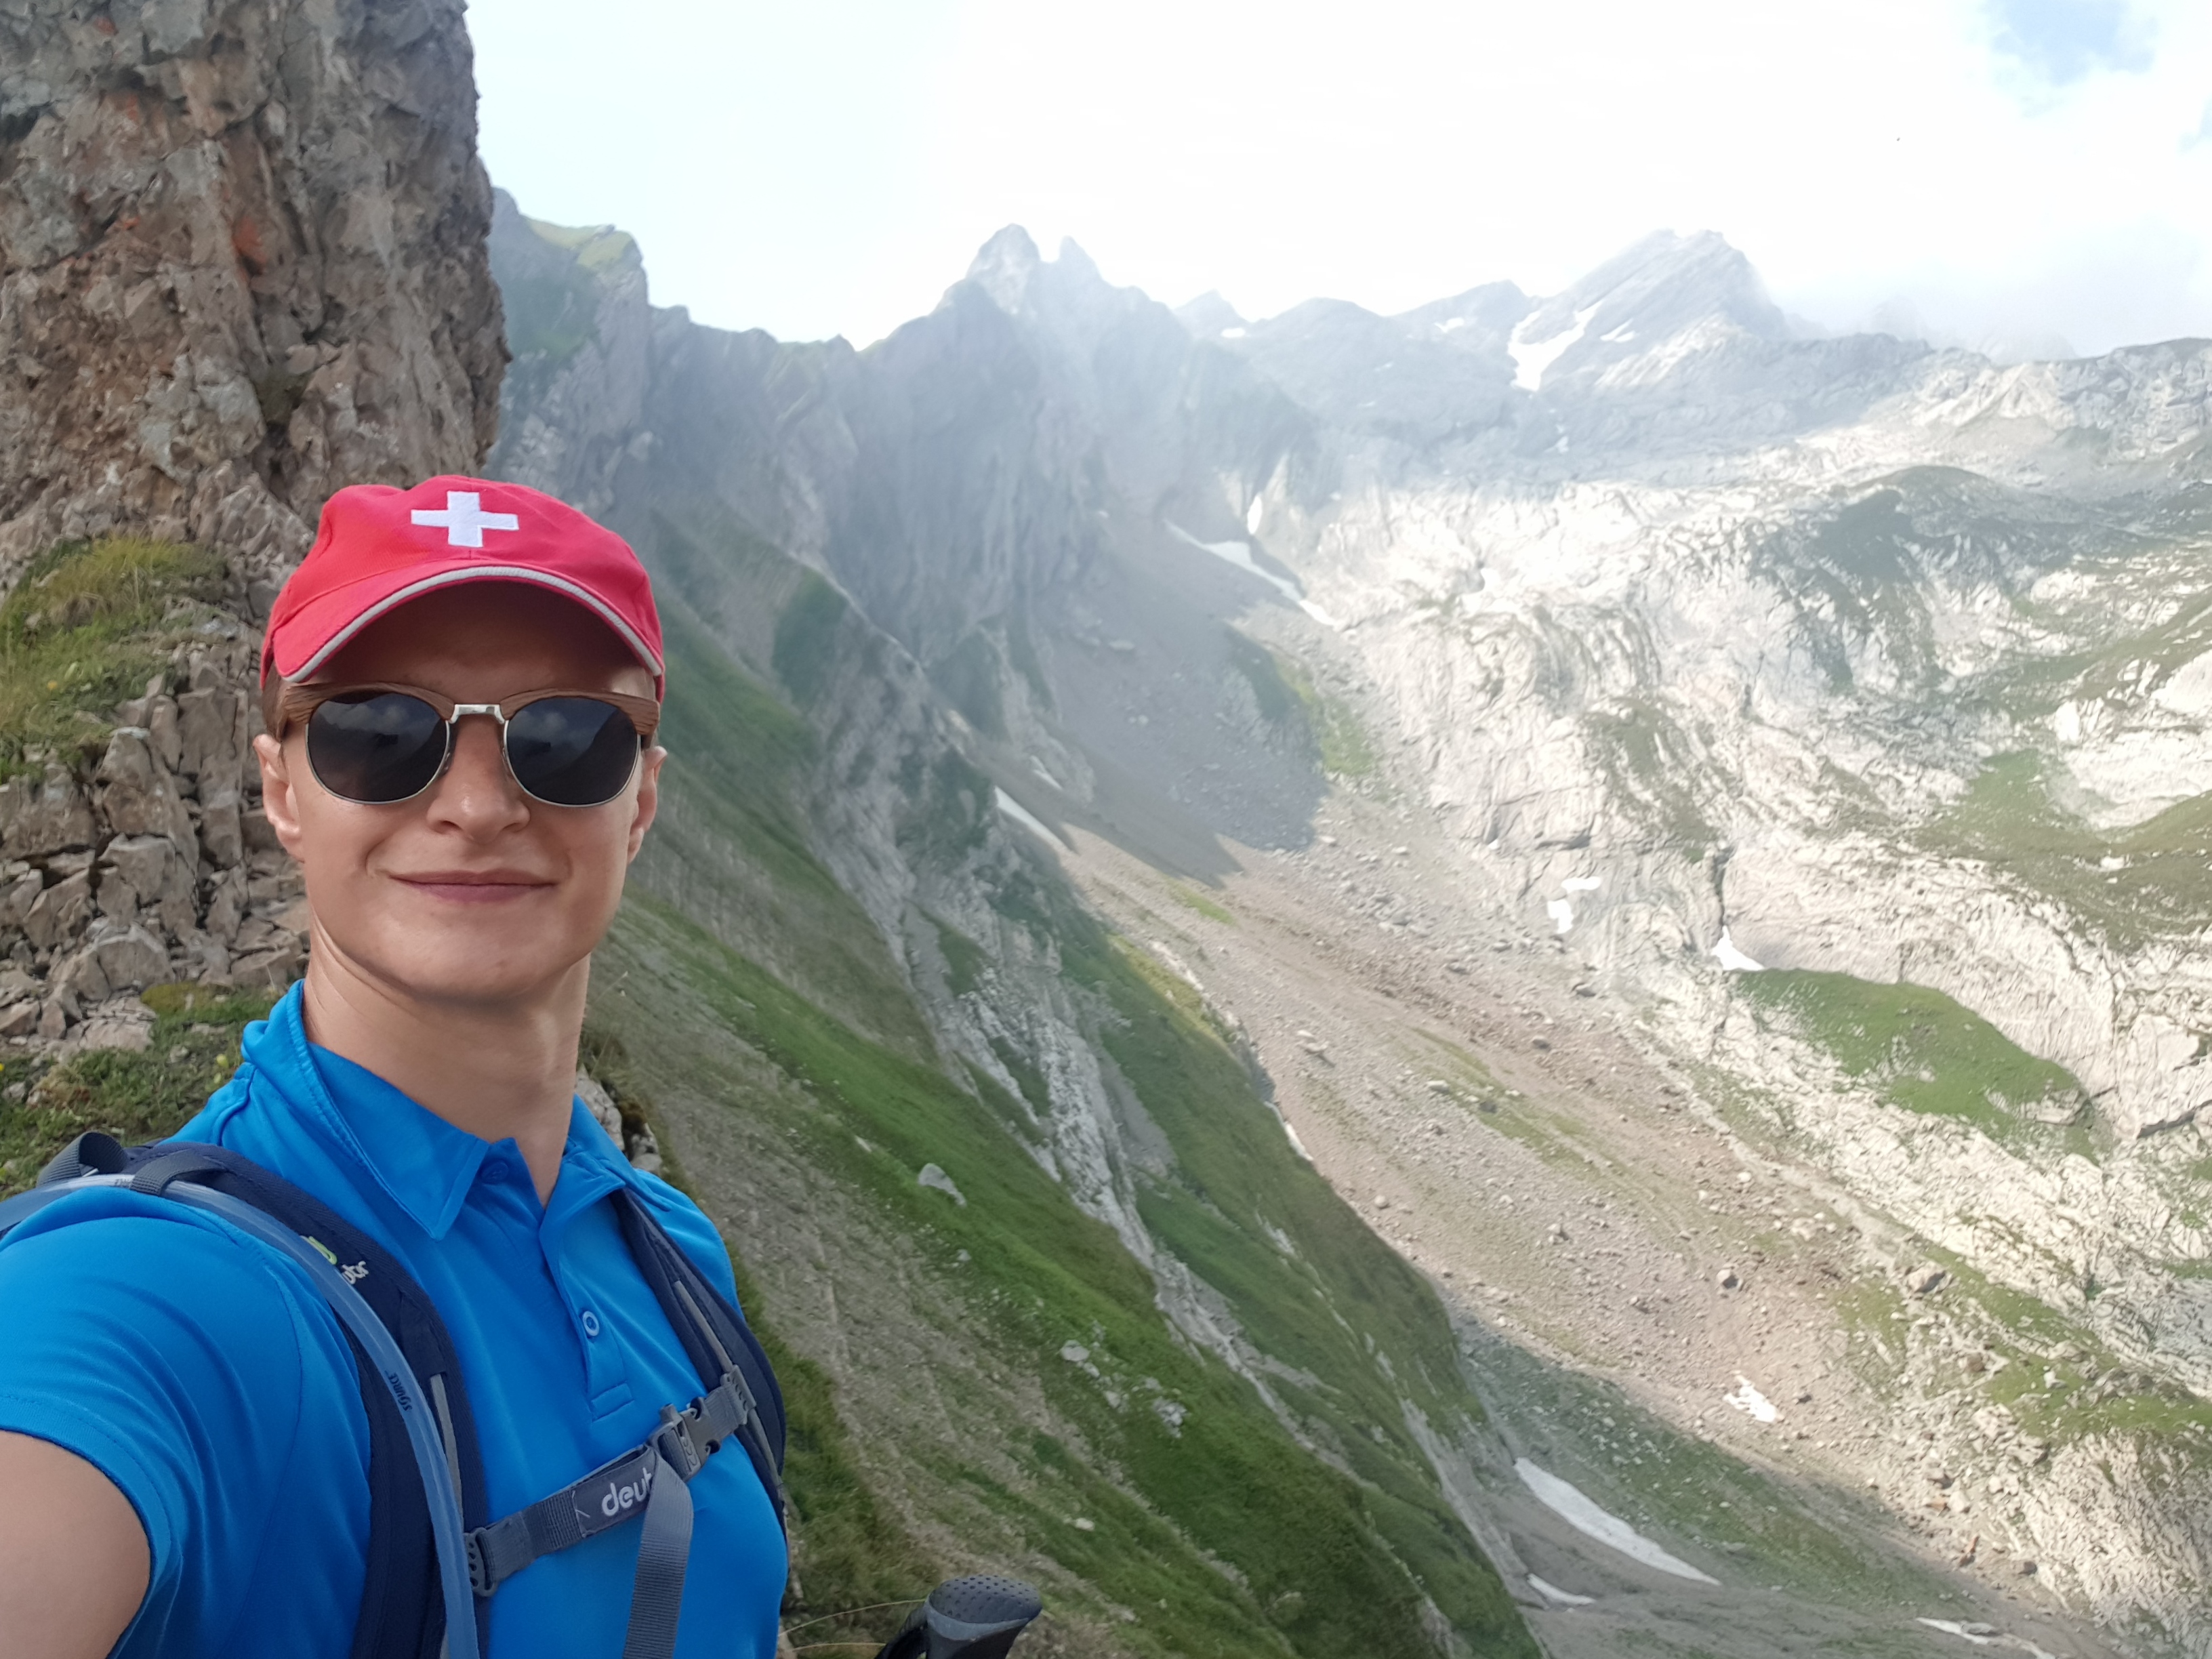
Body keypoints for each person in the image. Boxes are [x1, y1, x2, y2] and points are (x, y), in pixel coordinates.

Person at [0, 478, 789, 1657]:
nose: (476, 805)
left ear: (641, 802)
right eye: (379, 733)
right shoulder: (165, 1298)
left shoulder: (669, 1249)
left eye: (567, 738)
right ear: (282, 792)